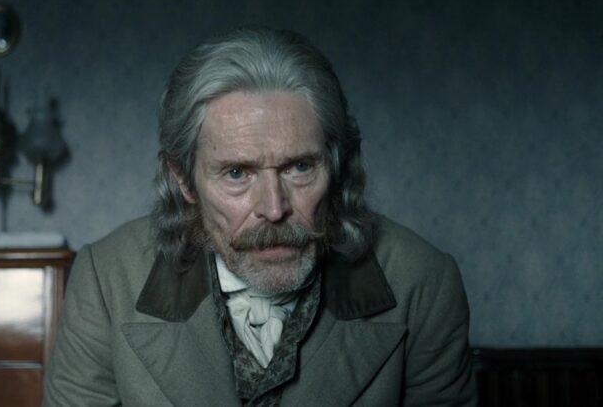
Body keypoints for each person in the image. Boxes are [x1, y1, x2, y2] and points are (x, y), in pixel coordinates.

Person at [43, 27, 477, 406]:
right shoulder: (107, 277)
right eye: (237, 173)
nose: (273, 208)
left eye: (300, 167)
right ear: (183, 180)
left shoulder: (423, 282)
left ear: (338, 166)